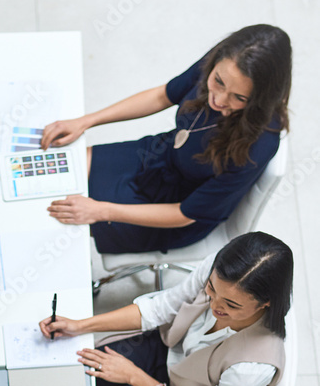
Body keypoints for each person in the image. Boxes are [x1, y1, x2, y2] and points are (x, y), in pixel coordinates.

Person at [39, 232, 292, 386]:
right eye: (211, 289)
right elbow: (163, 307)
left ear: (265, 303)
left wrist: (133, 376)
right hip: (167, 350)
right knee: (75, 381)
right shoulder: (220, 269)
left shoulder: (249, 371)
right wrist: (81, 325)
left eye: (231, 305)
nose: (214, 305)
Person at [41, 25, 292, 254]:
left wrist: (100, 210)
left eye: (239, 97)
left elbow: (184, 214)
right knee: (62, 168)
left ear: (260, 99)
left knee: (60, 222)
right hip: (159, 155)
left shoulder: (258, 146)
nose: (219, 99)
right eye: (218, 81)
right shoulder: (223, 63)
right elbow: (163, 95)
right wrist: (86, 121)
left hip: (176, 208)